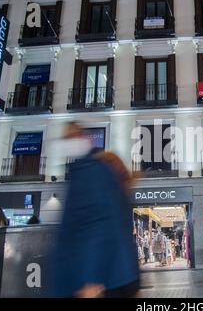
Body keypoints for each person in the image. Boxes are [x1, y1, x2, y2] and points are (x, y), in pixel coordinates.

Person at [53, 122, 139, 298]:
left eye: (69, 137)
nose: (65, 142)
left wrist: (92, 279)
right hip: (120, 274)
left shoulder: (90, 170)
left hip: (103, 277)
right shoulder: (112, 185)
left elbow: (97, 226)